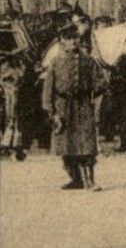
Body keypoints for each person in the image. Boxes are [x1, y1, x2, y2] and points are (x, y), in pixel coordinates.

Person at [43, 22, 105, 190]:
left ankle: (89, 181)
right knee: (66, 145)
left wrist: (94, 90)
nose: (73, 42)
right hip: (62, 107)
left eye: (75, 38)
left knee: (86, 145)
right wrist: (50, 110)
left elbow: (101, 82)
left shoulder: (88, 60)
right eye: (68, 38)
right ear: (62, 40)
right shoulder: (55, 62)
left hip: (83, 105)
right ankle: (75, 178)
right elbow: (48, 88)